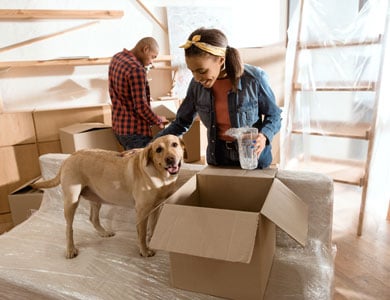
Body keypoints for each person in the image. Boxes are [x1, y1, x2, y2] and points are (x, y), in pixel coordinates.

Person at [154, 28, 282, 169]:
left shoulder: (254, 79)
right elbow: (181, 122)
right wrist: (148, 147)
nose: (197, 78)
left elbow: (274, 115)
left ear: (221, 60)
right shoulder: (196, 85)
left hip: (252, 157)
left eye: (202, 71)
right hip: (218, 157)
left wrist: (264, 136)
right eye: (192, 71)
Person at [109, 37, 168, 150]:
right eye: (152, 57)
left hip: (119, 128)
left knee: (130, 165)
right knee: (142, 167)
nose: (151, 62)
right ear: (145, 49)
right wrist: (158, 120)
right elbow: (141, 107)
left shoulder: (117, 57)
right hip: (135, 132)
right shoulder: (136, 70)